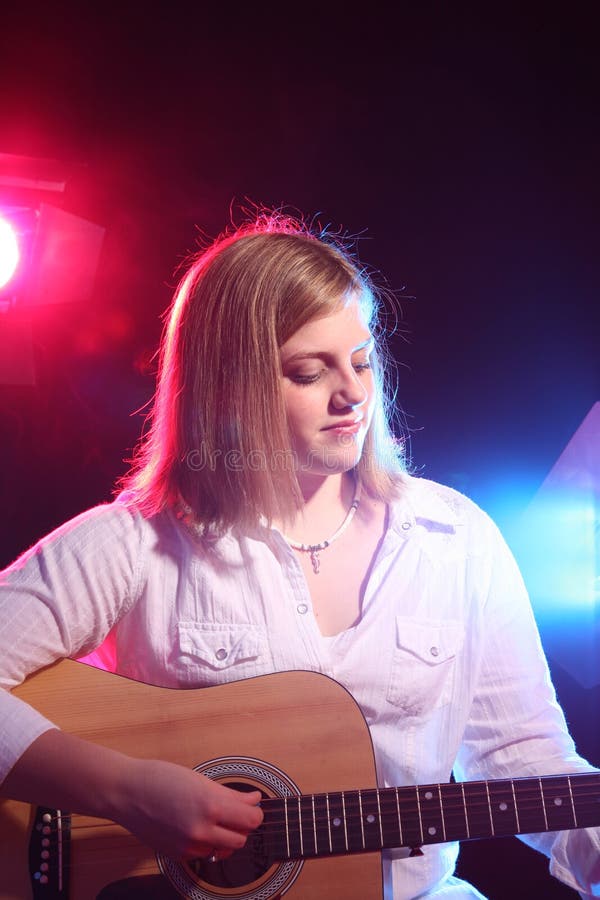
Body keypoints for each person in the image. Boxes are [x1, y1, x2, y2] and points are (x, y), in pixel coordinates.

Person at [0, 210, 598, 900]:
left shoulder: (456, 538)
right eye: (309, 372)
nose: (353, 396)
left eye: (363, 360)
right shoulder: (135, 541)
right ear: (232, 388)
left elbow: (522, 756)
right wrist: (128, 791)